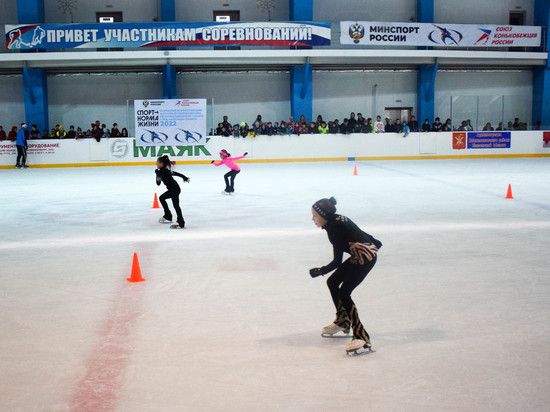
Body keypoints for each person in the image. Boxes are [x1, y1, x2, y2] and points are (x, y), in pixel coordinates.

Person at [309, 197, 382, 353]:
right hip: (360, 253)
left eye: (315, 215)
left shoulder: (335, 228)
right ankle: (343, 321)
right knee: (333, 282)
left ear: (324, 215)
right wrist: (373, 240)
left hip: (365, 258)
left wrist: (320, 270)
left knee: (344, 292)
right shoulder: (335, 220)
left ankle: (362, 337)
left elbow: (336, 262)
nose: (313, 219)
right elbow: (356, 230)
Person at [155, 155, 190, 229]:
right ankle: (168, 216)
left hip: (174, 189)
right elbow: (158, 183)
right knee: (162, 198)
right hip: (174, 189)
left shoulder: (164, 171)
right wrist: (184, 177)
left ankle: (180, 222)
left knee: (175, 205)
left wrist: (157, 175)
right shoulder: (164, 171)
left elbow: (158, 183)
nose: (156, 164)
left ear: (161, 163)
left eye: (157, 163)